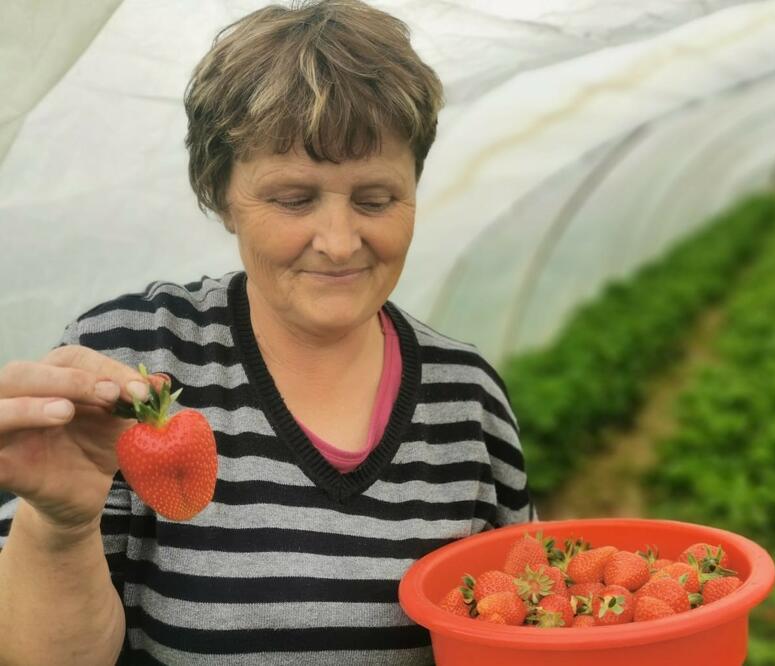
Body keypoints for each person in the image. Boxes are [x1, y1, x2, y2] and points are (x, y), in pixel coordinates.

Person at [0, 1, 536, 663]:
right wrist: (60, 528)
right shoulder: (130, 362)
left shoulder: (467, 398)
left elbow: (521, 627)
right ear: (221, 195)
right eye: (293, 199)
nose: (339, 242)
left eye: (375, 199)